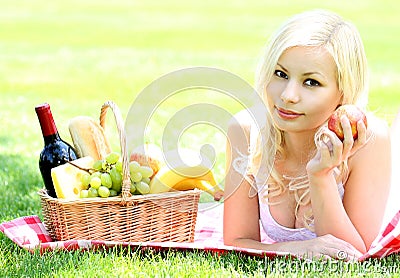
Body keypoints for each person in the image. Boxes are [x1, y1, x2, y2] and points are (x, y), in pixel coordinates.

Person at [223, 9, 392, 261]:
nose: (288, 95)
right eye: (280, 74)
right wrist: (294, 250)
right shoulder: (245, 132)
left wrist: (321, 175)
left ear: (343, 93)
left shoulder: (368, 140)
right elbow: (236, 241)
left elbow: (350, 254)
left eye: (311, 82)